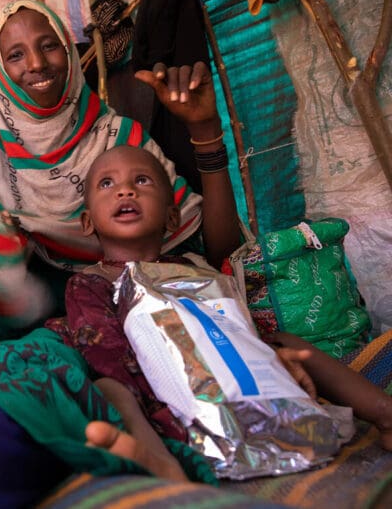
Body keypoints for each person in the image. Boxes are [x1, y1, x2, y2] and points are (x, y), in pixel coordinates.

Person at [54, 144, 392, 455]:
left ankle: (384, 412)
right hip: (168, 380)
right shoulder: (91, 283)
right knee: (113, 387)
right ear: (87, 221)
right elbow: (108, 354)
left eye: (141, 181)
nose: (125, 190)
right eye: (107, 184)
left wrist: (270, 358)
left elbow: (234, 323)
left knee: (286, 342)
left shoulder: (191, 267)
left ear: (173, 217)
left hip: (234, 366)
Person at [0, 0, 239, 326]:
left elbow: (219, 255)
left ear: (69, 52)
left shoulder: (123, 143)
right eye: (15, 55)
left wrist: (205, 130)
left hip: (157, 323)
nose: (37, 63)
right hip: (49, 345)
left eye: (49, 45)